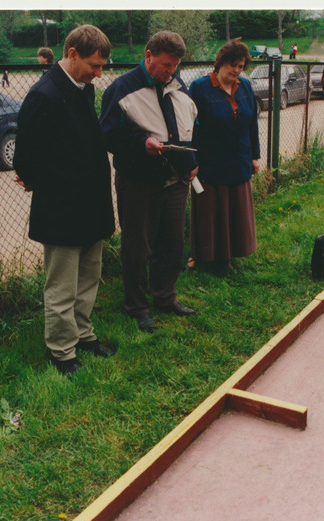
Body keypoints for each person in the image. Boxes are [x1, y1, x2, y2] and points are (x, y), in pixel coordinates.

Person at [13, 25, 115, 376]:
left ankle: (84, 335)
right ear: (72, 54)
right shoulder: (44, 94)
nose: (98, 74)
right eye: (94, 65)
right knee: (61, 286)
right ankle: (62, 351)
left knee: (88, 278)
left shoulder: (82, 88)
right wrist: (48, 185)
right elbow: (25, 158)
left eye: (102, 66)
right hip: (62, 210)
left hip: (92, 205)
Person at [100, 31, 199, 333]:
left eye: (175, 66)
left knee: (172, 243)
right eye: (166, 65)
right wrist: (141, 143)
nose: (170, 72)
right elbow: (108, 134)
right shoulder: (121, 89)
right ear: (148, 56)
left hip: (176, 181)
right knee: (137, 247)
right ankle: (137, 307)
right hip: (139, 182)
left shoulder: (178, 86)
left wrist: (192, 163)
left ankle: (166, 297)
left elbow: (191, 126)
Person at [188, 39, 261, 274]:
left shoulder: (246, 87)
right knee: (211, 210)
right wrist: (193, 161)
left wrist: (255, 156)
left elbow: (252, 125)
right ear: (220, 63)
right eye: (233, 65)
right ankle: (204, 256)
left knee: (235, 208)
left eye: (241, 66)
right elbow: (192, 127)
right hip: (210, 162)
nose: (237, 71)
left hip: (239, 159)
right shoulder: (200, 88)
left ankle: (230, 254)